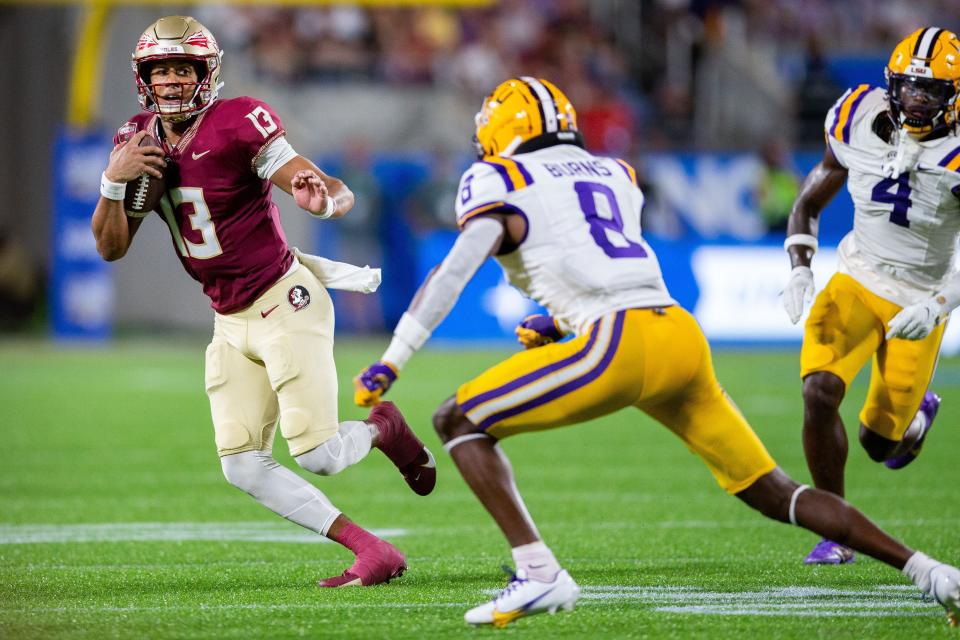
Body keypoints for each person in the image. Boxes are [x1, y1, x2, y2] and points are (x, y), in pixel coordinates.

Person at [354, 77, 960, 627]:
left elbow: (455, 270)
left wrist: (395, 356)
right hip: (676, 334)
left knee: (457, 419)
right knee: (775, 492)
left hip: (621, 343)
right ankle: (931, 571)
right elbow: (604, 264)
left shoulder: (497, 179)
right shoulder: (613, 172)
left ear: (500, 130)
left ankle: (538, 574)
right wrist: (562, 322)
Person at [91, 15, 436, 588]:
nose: (172, 81)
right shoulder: (136, 139)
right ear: (143, 77)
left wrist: (319, 198)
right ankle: (370, 549)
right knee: (242, 465)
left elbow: (330, 187)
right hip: (228, 319)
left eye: (184, 68)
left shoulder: (238, 121)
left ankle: (383, 431)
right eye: (162, 70)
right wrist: (112, 179)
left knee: (320, 454)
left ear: (207, 72)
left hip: (285, 299)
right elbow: (109, 247)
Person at [782, 27, 960, 566]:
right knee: (817, 391)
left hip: (921, 292)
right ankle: (834, 528)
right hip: (858, 274)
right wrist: (799, 265)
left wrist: (939, 305)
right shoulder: (856, 114)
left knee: (879, 445)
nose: (917, 99)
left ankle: (915, 419)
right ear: (891, 84)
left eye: (931, 92)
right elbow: (814, 194)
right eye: (908, 87)